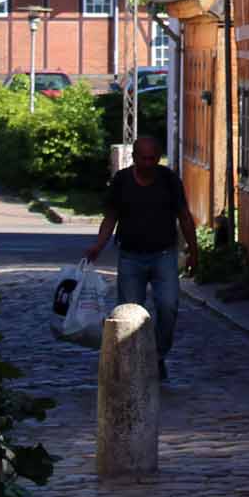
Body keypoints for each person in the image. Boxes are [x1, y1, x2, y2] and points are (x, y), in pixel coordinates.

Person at [84, 134, 200, 382]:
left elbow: (184, 216)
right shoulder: (122, 181)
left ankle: (157, 356)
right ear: (134, 158)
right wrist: (98, 245)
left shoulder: (169, 180)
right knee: (129, 314)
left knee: (168, 307)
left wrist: (193, 250)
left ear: (158, 158)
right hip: (130, 257)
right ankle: (133, 362)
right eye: (142, 158)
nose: (147, 163)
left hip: (164, 255)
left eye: (152, 158)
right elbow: (111, 217)